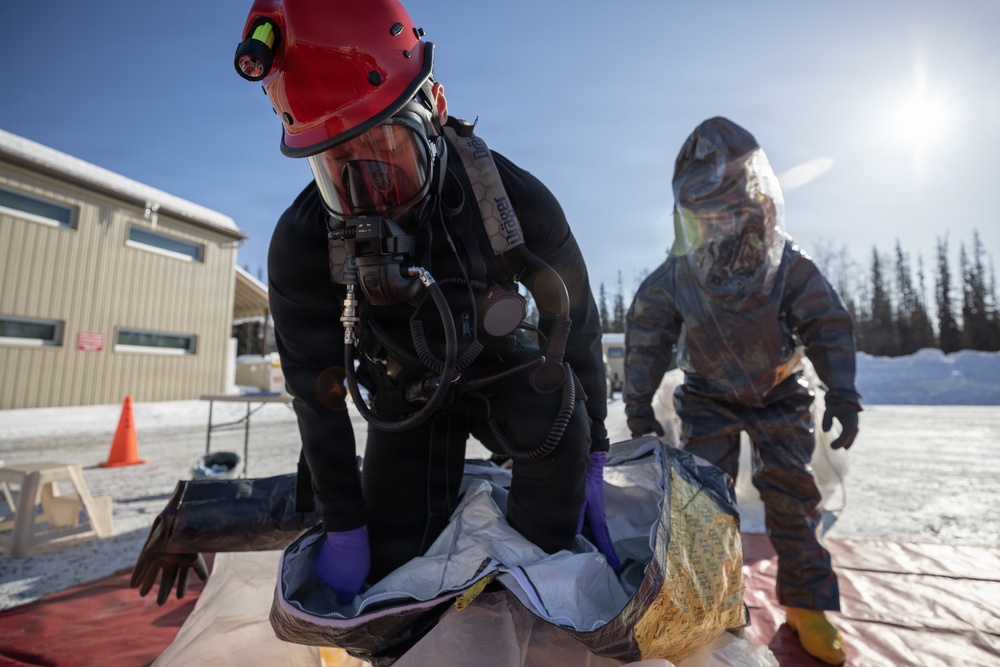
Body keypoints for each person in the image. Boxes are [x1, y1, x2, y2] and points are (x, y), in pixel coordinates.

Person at [231, 0, 615, 606]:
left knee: (557, 419)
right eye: (339, 171)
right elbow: (318, 393)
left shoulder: (508, 199)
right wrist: (345, 527)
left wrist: (592, 454)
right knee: (393, 567)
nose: (372, 196)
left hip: (501, 371)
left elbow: (579, 320)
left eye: (389, 153)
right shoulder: (305, 242)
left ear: (433, 108)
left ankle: (535, 605)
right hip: (404, 395)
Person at [623, 117, 861, 665]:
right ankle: (716, 609)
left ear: (756, 202)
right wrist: (638, 404)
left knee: (793, 496)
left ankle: (805, 604)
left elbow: (827, 323)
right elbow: (646, 336)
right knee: (702, 504)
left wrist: (843, 392)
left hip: (780, 391)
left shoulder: (787, 266)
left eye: (730, 209)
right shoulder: (677, 275)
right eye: (706, 214)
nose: (721, 224)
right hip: (707, 397)